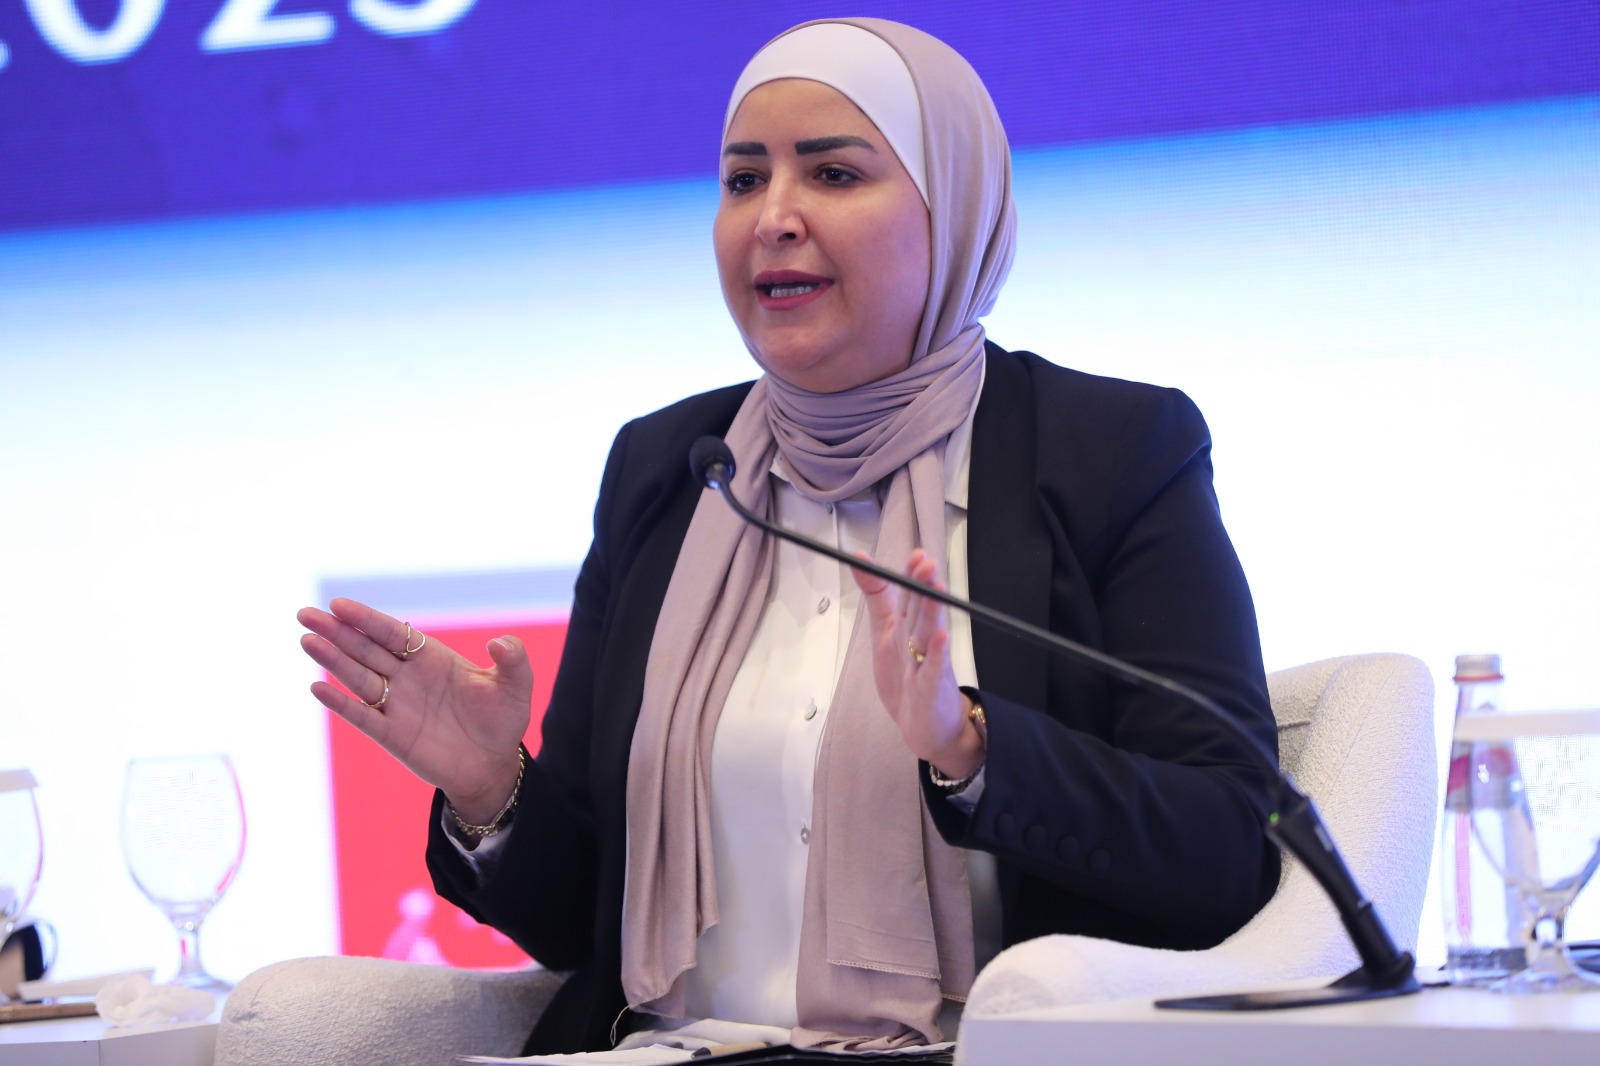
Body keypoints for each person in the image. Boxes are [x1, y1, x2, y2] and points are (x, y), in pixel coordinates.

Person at [297, 16, 1280, 1056]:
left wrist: (969, 746)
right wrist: (492, 789)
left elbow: (1227, 846)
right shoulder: (671, 469)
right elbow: (584, 921)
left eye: (834, 174)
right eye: (742, 180)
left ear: (953, 208)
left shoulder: (1109, 453)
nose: (772, 218)